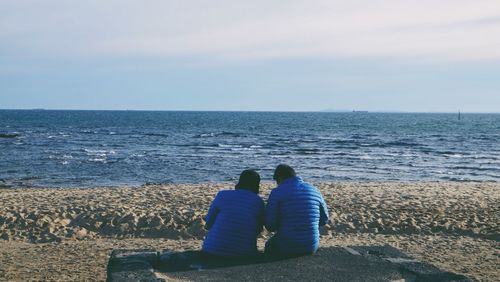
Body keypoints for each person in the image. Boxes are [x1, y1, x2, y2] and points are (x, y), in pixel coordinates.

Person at [265, 164, 329, 256]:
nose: (277, 184)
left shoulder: (277, 192)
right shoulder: (315, 190)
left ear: (280, 178)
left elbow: (270, 226)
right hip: (311, 246)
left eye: (277, 181)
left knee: (269, 245)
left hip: (286, 246)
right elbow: (324, 220)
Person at [202, 169, 265, 257]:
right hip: (243, 253)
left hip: (212, 250)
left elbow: (208, 224)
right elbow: (258, 230)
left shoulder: (222, 195)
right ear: (256, 185)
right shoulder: (258, 202)